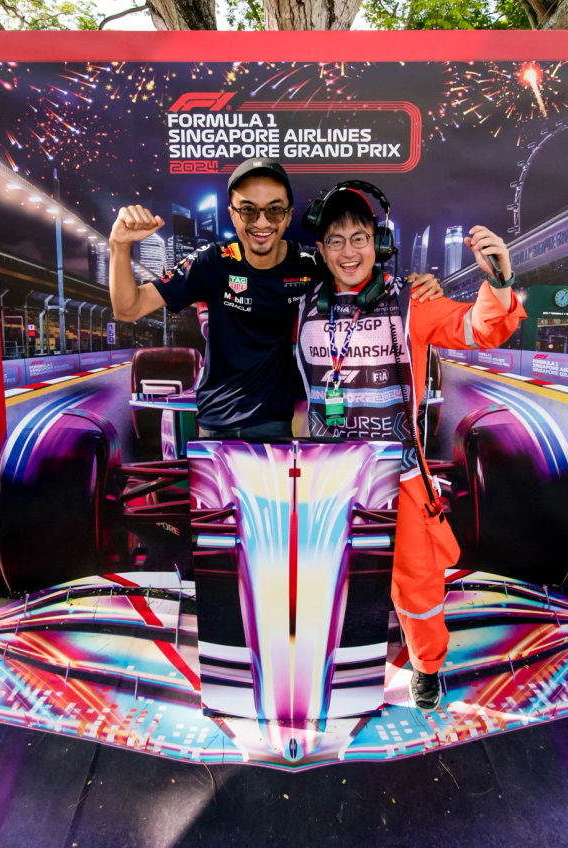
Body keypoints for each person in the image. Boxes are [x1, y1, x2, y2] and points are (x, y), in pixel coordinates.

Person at [294, 185, 524, 711]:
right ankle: (327, 666)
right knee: (325, 585)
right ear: (322, 251)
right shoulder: (303, 307)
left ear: (378, 242)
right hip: (329, 482)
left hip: (399, 481)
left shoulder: (411, 300)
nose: (349, 252)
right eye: (335, 241)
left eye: (359, 238)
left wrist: (501, 280)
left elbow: (480, 329)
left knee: (417, 590)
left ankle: (426, 667)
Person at [108, 158, 441, 439]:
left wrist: (414, 286)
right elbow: (128, 307)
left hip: (280, 423)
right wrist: (120, 246)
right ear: (233, 213)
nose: (262, 223)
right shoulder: (210, 261)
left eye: (274, 211)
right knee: (219, 518)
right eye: (249, 211)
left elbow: (360, 273)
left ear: (288, 214)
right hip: (214, 424)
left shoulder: (311, 264)